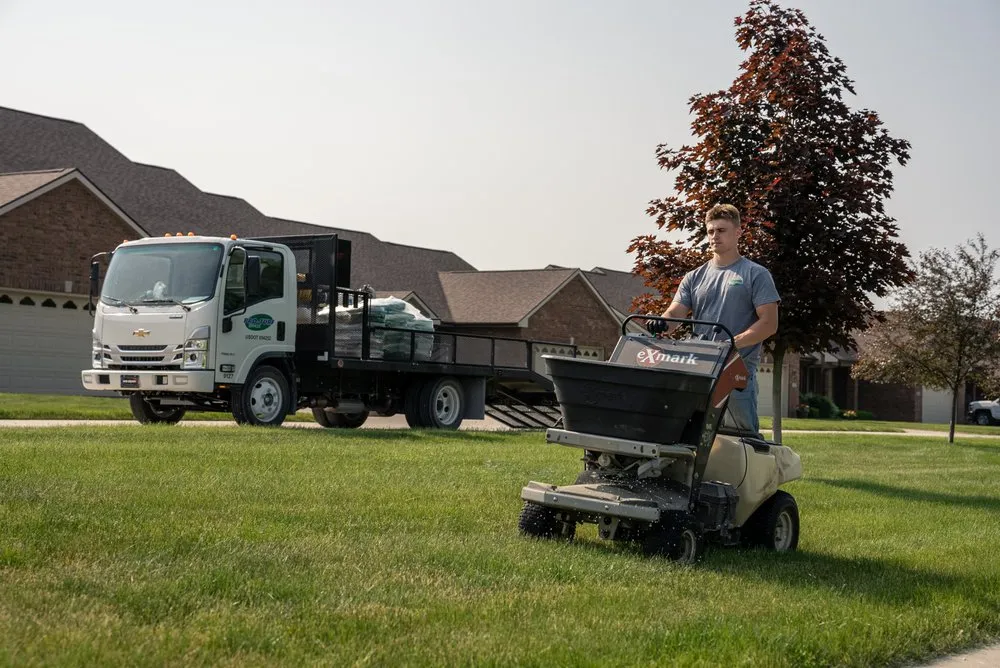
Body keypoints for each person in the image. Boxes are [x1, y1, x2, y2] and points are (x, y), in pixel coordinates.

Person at [650, 204, 780, 436]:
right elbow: (675, 314)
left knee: (741, 442)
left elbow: (769, 324)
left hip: (735, 372)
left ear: (738, 232)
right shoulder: (694, 277)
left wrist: (730, 344)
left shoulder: (756, 274)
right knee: (690, 438)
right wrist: (662, 323)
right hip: (698, 370)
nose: (714, 236)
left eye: (721, 230)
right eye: (710, 231)